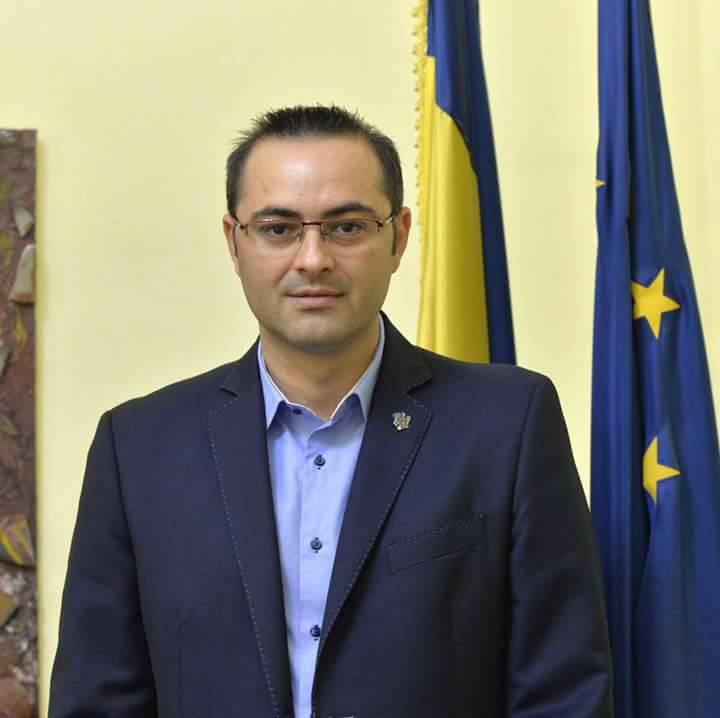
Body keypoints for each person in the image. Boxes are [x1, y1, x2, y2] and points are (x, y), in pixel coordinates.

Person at [49, 105, 613, 718]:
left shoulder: (507, 424)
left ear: (398, 237)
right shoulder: (138, 448)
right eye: (278, 229)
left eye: (346, 227)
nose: (313, 258)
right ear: (234, 242)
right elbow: (98, 698)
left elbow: (563, 692)